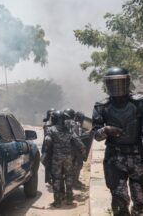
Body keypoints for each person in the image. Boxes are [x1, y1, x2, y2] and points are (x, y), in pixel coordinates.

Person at [91, 67, 143, 216]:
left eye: (120, 82)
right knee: (119, 201)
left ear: (127, 81)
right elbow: (96, 135)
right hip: (115, 158)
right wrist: (106, 130)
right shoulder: (102, 107)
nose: (117, 86)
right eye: (113, 83)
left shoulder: (139, 104)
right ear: (107, 85)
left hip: (138, 156)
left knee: (140, 202)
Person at [44, 110, 85, 207]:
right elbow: (78, 142)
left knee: (57, 179)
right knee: (69, 177)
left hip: (57, 158)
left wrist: (48, 143)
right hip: (68, 158)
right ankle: (70, 199)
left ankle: (57, 201)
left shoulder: (51, 129)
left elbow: (47, 140)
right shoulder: (69, 130)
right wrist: (82, 151)